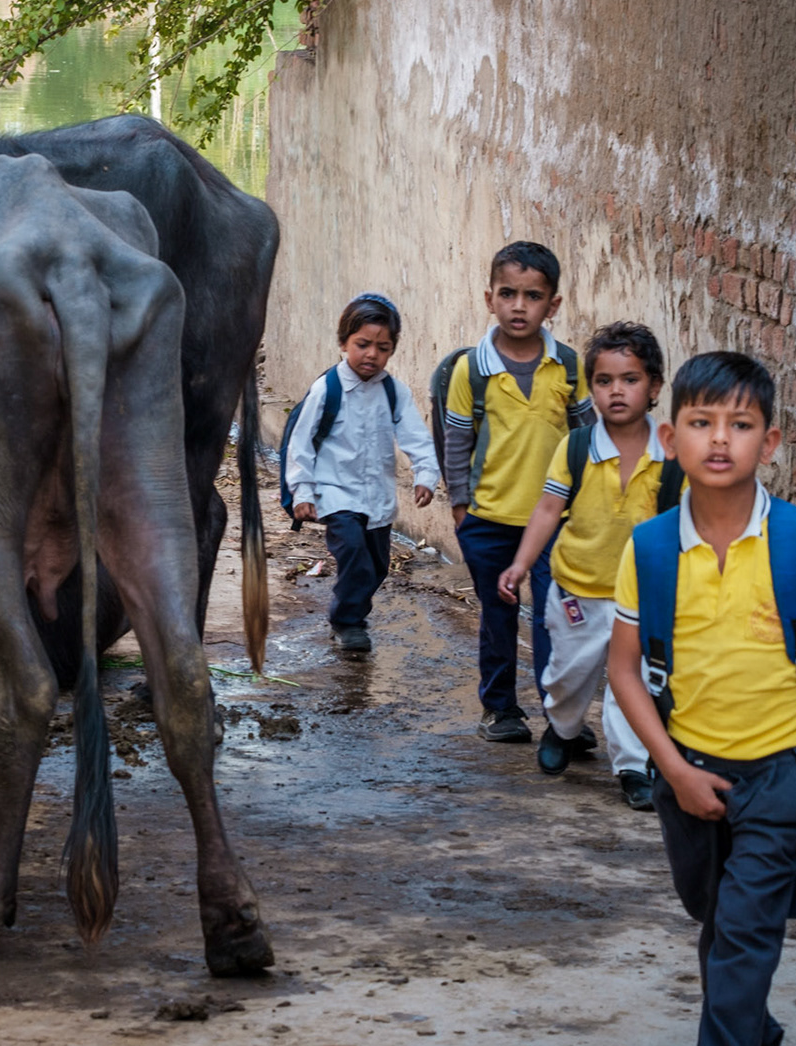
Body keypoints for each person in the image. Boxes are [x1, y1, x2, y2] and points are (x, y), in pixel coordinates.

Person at [607, 351, 796, 1046]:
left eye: (741, 425)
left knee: (745, 932)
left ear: (770, 441)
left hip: (781, 773)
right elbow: (623, 668)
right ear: (670, 438)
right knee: (712, 918)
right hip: (689, 771)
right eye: (702, 423)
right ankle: (754, 1030)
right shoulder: (650, 549)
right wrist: (674, 770)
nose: (721, 440)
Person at [494, 321, 674, 810]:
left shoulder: (671, 454)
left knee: (632, 682)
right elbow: (548, 509)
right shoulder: (576, 448)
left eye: (630, 379)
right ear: (591, 387)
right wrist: (520, 565)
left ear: (654, 387)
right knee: (567, 677)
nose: (616, 391)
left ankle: (632, 766)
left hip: (643, 598)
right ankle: (564, 727)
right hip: (577, 590)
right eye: (604, 380)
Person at [441, 241, 592, 742]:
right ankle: (500, 709)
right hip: (488, 522)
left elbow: (589, 440)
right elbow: (457, 442)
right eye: (508, 294)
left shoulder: (568, 367)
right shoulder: (472, 369)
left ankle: (562, 717)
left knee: (556, 620)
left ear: (553, 304)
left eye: (533, 296)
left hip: (555, 523)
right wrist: (460, 509)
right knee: (498, 619)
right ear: (490, 299)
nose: (519, 306)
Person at [286, 293, 439, 653]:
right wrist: (303, 492)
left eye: (382, 348)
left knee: (377, 567)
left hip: (377, 499)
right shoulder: (327, 389)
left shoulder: (393, 392)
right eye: (362, 344)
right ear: (343, 343)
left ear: (392, 349)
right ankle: (348, 622)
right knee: (354, 555)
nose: (372, 354)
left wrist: (425, 475)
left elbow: (416, 436)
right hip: (334, 493)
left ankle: (350, 610)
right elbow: (300, 444)